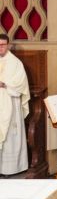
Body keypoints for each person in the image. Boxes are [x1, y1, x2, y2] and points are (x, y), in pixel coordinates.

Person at [0, 33, 29, 175]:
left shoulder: (16, 63)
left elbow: (21, 85)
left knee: (10, 137)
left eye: (3, 45)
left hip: (10, 102)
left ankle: (10, 169)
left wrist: (5, 84)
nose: (0, 48)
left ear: (8, 45)